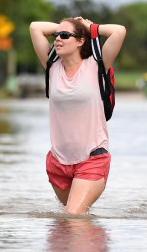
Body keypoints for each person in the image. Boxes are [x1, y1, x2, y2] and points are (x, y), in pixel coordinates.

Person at [29, 17, 126, 215]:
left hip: (92, 158)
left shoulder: (96, 65)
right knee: (70, 226)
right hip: (58, 162)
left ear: (81, 41)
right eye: (56, 36)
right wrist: (67, 27)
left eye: (64, 36)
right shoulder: (52, 66)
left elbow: (119, 31)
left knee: (73, 216)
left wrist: (89, 28)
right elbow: (35, 27)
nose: (57, 39)